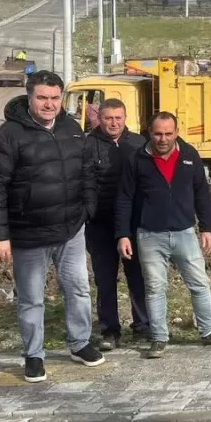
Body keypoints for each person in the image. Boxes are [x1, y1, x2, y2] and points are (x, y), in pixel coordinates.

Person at [0, 69, 102, 383]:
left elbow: (87, 171)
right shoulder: (9, 135)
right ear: (30, 97)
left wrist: (87, 208)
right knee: (31, 298)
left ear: (61, 98)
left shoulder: (71, 128)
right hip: (29, 235)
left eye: (54, 98)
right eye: (42, 98)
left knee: (78, 289)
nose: (49, 104)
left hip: (71, 230)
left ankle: (79, 343)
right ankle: (34, 355)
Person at [114, 111, 211, 359]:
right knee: (155, 288)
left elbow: (202, 193)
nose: (163, 139)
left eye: (168, 133)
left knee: (199, 284)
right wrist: (123, 234)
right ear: (149, 132)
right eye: (158, 133)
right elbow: (124, 198)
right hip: (149, 235)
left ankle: (207, 332)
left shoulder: (189, 156)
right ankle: (158, 338)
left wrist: (207, 228)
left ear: (177, 132)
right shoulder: (137, 160)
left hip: (185, 233)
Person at [85, 98, 150, 350]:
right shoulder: (87, 145)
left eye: (118, 118)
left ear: (125, 118)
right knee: (105, 279)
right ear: (99, 119)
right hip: (100, 224)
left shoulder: (138, 144)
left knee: (137, 275)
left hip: (133, 224)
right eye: (108, 118)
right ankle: (110, 331)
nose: (113, 123)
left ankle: (142, 324)